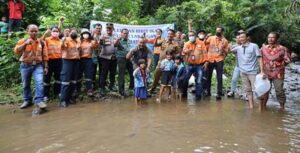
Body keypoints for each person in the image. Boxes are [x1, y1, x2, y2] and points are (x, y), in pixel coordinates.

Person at [14, 24, 48, 110]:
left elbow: (45, 55)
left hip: (38, 65)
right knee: (26, 84)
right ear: (27, 31)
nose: (34, 33)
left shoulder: (42, 42)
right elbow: (16, 51)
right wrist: (25, 44)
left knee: (39, 82)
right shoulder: (23, 40)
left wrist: (46, 67)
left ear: (38, 31)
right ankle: (27, 100)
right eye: (32, 31)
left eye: (36, 31)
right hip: (25, 65)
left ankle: (39, 100)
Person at [260, 32, 291, 111]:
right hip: (266, 73)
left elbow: (288, 60)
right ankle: (263, 107)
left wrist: (280, 66)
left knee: (279, 90)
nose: (270, 39)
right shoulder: (263, 48)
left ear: (277, 39)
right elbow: (259, 58)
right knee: (265, 90)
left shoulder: (282, 49)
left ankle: (282, 107)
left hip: (278, 74)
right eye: (269, 37)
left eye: (272, 37)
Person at [148, 29, 180, 93]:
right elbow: (156, 45)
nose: (169, 35)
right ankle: (153, 88)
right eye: (168, 33)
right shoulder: (163, 41)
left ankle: (168, 92)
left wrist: (176, 63)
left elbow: (178, 54)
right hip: (161, 62)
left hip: (169, 64)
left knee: (168, 77)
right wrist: (156, 38)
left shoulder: (176, 44)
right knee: (156, 75)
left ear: (173, 35)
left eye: (171, 34)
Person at [236, 32, 261, 109]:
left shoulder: (254, 46)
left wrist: (262, 71)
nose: (241, 39)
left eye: (243, 37)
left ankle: (261, 107)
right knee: (248, 90)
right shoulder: (238, 48)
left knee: (257, 90)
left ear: (247, 37)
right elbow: (227, 50)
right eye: (240, 37)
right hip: (243, 72)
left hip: (253, 72)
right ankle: (251, 106)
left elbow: (259, 58)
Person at [182, 31, 208, 100]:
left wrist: (206, 62)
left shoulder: (201, 43)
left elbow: (205, 53)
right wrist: (187, 51)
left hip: (199, 65)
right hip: (189, 64)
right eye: (189, 35)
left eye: (192, 35)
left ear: (195, 36)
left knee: (199, 80)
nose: (191, 37)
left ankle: (198, 97)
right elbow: (183, 52)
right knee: (185, 79)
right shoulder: (187, 43)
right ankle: (184, 94)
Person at [205, 26, 229, 100]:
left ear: (222, 32)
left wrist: (223, 50)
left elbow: (227, 52)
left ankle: (219, 93)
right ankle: (208, 91)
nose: (217, 31)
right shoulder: (211, 38)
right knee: (208, 76)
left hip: (219, 60)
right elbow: (204, 44)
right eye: (216, 30)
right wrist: (206, 37)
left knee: (219, 77)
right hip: (210, 59)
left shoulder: (225, 41)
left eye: (219, 30)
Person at [60, 28, 81, 107]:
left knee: (73, 81)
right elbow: (62, 47)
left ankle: (71, 98)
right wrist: (62, 40)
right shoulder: (66, 39)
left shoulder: (78, 40)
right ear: (70, 33)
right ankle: (63, 100)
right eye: (72, 31)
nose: (73, 32)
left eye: (75, 31)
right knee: (65, 80)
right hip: (67, 61)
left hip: (76, 61)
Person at [42, 26, 62, 101]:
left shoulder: (60, 41)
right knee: (47, 78)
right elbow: (40, 42)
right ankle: (45, 95)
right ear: (51, 32)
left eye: (57, 31)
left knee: (58, 78)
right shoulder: (47, 39)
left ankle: (57, 93)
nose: (55, 32)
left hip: (59, 61)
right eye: (54, 31)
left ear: (59, 32)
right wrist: (45, 33)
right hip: (49, 61)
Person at [99, 23, 117, 96]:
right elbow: (100, 44)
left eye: (110, 28)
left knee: (113, 73)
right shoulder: (103, 36)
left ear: (112, 29)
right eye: (107, 28)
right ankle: (102, 88)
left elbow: (117, 45)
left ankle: (111, 86)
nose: (109, 29)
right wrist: (101, 40)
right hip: (105, 58)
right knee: (104, 73)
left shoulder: (115, 36)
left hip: (113, 57)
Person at [115, 28, 134, 97]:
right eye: (124, 33)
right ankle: (121, 91)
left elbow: (129, 50)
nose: (126, 34)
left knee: (132, 73)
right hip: (121, 59)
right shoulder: (119, 40)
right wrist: (118, 39)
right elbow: (115, 44)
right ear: (121, 34)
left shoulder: (128, 41)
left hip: (128, 59)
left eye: (127, 33)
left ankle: (131, 88)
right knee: (121, 75)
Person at [78, 29, 97, 96]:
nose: (85, 35)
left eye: (87, 33)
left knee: (89, 74)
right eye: (84, 33)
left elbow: (96, 46)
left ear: (89, 35)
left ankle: (89, 89)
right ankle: (77, 90)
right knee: (78, 74)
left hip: (89, 59)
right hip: (80, 60)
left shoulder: (91, 41)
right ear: (81, 35)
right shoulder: (79, 41)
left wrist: (94, 37)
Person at [227, 33, 242, 98]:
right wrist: (229, 46)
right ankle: (232, 91)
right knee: (234, 79)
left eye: (239, 38)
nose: (238, 39)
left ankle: (246, 93)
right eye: (237, 38)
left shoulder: (246, 45)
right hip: (238, 66)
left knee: (245, 81)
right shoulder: (235, 46)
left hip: (246, 67)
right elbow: (229, 51)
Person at [92, 23, 102, 89]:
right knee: (93, 70)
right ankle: (93, 84)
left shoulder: (103, 36)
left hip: (101, 55)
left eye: (99, 28)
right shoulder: (91, 36)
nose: (98, 29)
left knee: (102, 70)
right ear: (94, 29)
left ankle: (101, 84)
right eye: (97, 28)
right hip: (94, 55)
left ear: (101, 29)